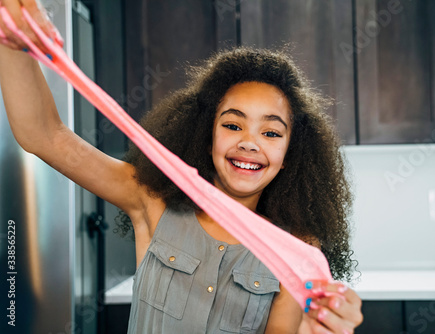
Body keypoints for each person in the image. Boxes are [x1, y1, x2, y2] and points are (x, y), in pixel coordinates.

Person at [0, 1, 363, 333]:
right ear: (207, 137)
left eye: (271, 132)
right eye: (233, 125)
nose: (249, 143)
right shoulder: (151, 201)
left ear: (289, 156)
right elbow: (43, 135)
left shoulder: (296, 250)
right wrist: (10, 36)